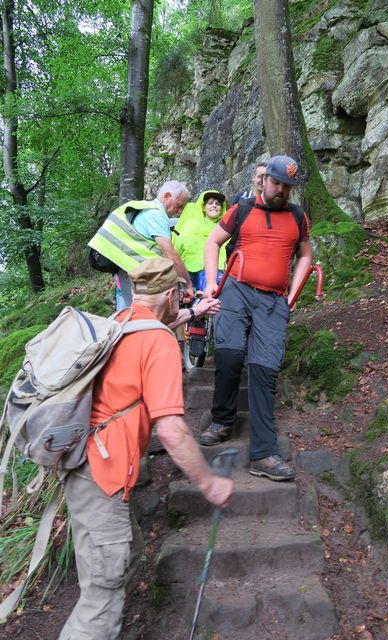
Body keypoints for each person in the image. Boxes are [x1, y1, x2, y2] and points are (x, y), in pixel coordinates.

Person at [58, 258, 233, 640]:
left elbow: (153, 330)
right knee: (100, 601)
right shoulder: (159, 343)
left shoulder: (121, 323)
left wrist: (190, 315)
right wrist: (209, 484)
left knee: (128, 551)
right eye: (180, 297)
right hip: (102, 473)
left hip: (82, 464)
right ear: (171, 295)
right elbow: (170, 430)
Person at [200, 155, 312, 481]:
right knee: (231, 354)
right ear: (264, 181)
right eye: (277, 183)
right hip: (236, 289)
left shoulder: (297, 215)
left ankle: (262, 454)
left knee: (265, 370)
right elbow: (213, 242)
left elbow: (305, 254)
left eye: (287, 186)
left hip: (273, 301)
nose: (282, 190)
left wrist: (292, 294)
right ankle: (222, 420)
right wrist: (210, 282)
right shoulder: (243, 209)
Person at [112, 180, 194, 310]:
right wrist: (188, 284)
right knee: (139, 309)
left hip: (129, 270)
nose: (179, 211)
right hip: (134, 274)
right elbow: (170, 255)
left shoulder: (147, 209)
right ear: (167, 196)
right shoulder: (156, 214)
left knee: (132, 308)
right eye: (178, 205)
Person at [173, 190, 228, 291]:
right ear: (204, 207)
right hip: (190, 270)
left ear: (222, 208)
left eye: (218, 204)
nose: (214, 206)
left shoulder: (226, 228)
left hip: (217, 271)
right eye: (210, 203)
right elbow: (178, 246)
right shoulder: (191, 224)